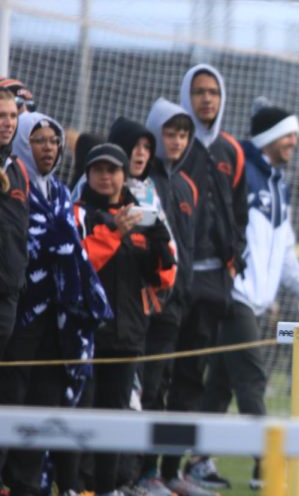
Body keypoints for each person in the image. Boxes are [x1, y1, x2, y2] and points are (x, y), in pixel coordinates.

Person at [200, 99, 299, 489]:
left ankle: (197, 460)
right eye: (288, 134)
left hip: (258, 301)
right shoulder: (241, 171)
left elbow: (285, 252)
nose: (294, 141)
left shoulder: (280, 183)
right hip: (235, 296)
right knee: (251, 377)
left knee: (220, 384)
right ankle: (268, 463)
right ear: (269, 137)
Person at [0, 112, 111, 496]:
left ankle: (30, 484)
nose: (48, 148)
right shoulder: (13, 186)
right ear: (22, 146)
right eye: (39, 140)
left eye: (53, 141)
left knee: (46, 398)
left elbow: (71, 244)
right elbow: (34, 241)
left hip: (58, 318)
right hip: (21, 315)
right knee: (11, 396)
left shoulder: (62, 193)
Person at [160, 64, 247, 492]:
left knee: (195, 378)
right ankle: (139, 473)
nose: (206, 99)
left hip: (216, 284)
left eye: (213, 91)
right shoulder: (174, 148)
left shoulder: (233, 151)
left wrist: (235, 258)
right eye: (198, 91)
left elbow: (240, 214)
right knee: (160, 377)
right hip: (175, 284)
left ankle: (174, 471)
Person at [74, 143, 176, 496]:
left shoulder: (139, 218)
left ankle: (106, 489)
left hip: (127, 336)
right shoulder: (78, 213)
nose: (106, 177)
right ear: (87, 174)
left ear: (123, 176)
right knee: (79, 417)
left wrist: (161, 245)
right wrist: (115, 232)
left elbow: (162, 280)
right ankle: (73, 487)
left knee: (114, 421)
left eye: (113, 170)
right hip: (83, 339)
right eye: (98, 170)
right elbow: (79, 266)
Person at [135, 98, 202, 496]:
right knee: (149, 390)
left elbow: (189, 246)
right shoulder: (144, 182)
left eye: (182, 134)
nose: (176, 141)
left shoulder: (187, 185)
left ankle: (166, 471)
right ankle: (141, 474)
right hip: (151, 307)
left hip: (181, 305)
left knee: (178, 389)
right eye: (169, 133)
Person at [0, 87, 29, 359]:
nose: (8, 123)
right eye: (1, 116)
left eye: (12, 115)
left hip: (8, 290)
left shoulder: (18, 169)